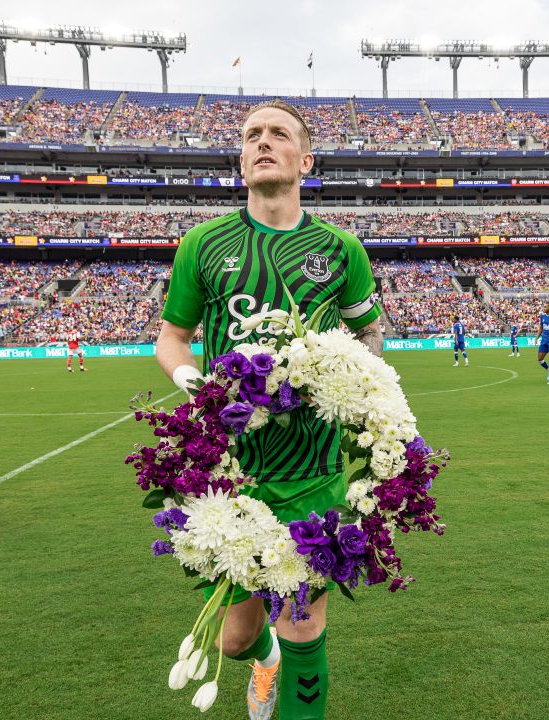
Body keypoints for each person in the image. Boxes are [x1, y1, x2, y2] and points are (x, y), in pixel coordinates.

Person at [155, 99, 384, 720]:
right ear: (241, 159)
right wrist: (193, 380)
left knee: (301, 623)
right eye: (252, 134)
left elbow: (370, 337)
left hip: (313, 467)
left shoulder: (340, 249)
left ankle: (292, 680)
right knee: (234, 640)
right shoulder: (205, 243)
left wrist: (357, 387)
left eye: (278, 134)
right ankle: (265, 661)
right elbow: (172, 335)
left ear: (304, 160)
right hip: (231, 471)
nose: (262, 142)